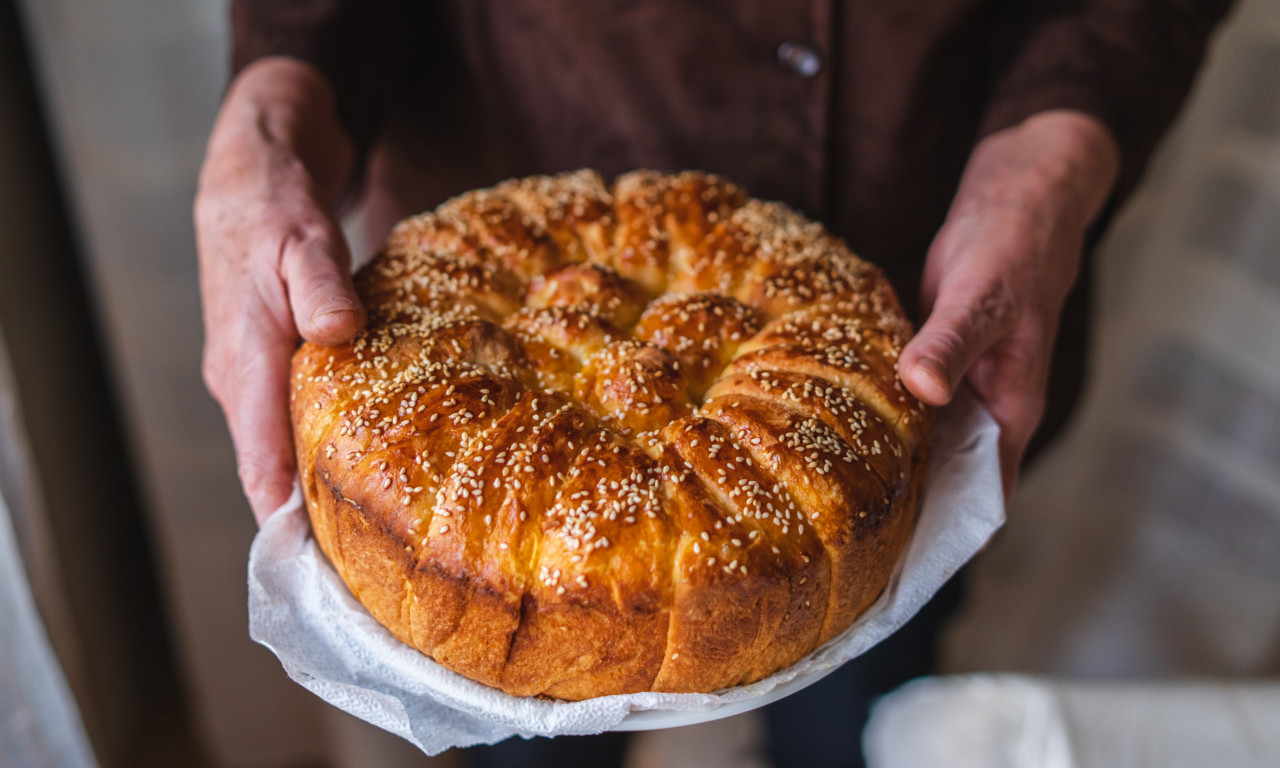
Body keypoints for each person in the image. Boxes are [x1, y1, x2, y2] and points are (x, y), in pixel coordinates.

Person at [195, 2, 1233, 765]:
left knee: (860, 721)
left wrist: (1047, 166)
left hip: (933, 325)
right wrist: (274, 102)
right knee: (525, 749)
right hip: (486, 231)